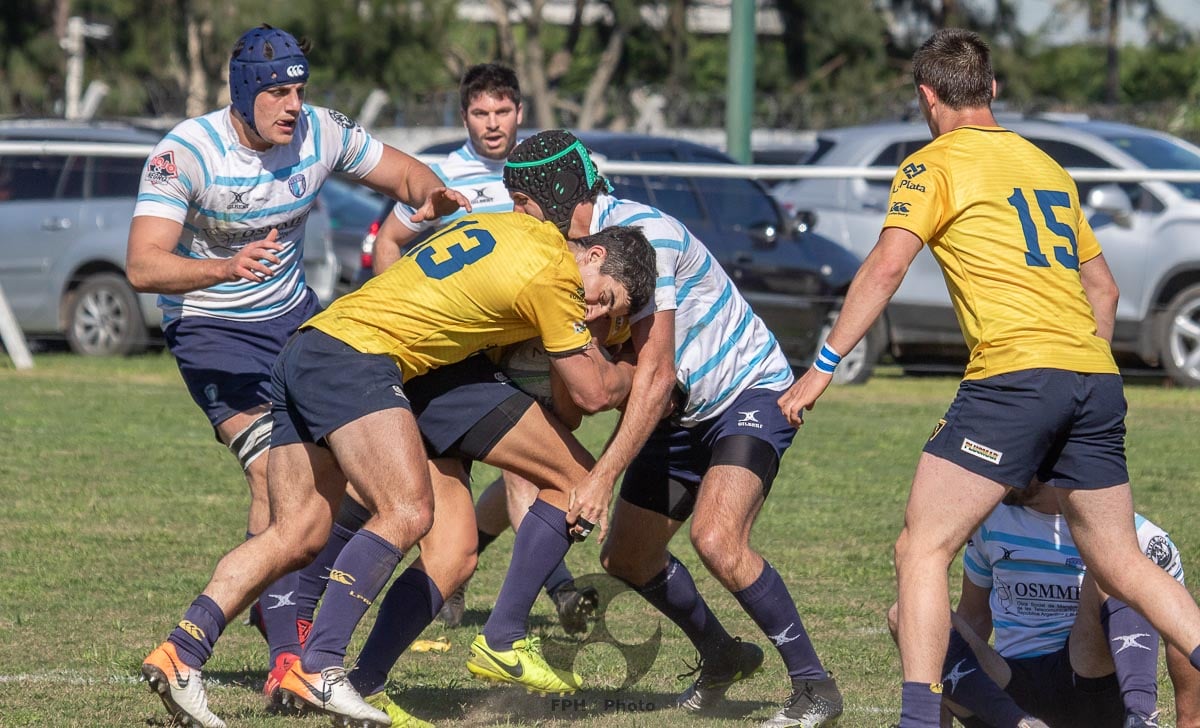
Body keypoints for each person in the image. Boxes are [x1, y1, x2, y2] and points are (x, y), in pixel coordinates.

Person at [775, 28, 1200, 728]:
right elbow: (1106, 290)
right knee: (1121, 561)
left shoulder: (931, 164)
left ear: (926, 96)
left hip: (1014, 376)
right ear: (993, 90)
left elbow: (885, 267)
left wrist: (819, 371)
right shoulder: (1044, 164)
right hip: (1095, 375)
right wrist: (1074, 372)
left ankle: (917, 722)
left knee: (921, 547)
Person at [139, 212, 654, 728]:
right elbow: (590, 393)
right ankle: (320, 667)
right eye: (604, 298)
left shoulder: (508, 228)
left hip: (310, 344)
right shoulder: (557, 273)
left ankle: (182, 651)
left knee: (296, 532)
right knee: (406, 510)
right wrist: (645, 373)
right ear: (594, 254)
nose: (594, 310)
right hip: (360, 357)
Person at [126, 23, 466, 706]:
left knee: (320, 496)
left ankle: (279, 634)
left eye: (300, 90)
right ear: (247, 91)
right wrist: (224, 267)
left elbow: (405, 173)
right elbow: (142, 264)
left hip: (296, 324)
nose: (292, 104)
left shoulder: (321, 132)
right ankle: (290, 654)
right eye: (278, 92)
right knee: (278, 488)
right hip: (212, 333)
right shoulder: (186, 153)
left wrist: (432, 195)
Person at [504, 129, 843, 727]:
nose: (516, 215)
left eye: (523, 201)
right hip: (675, 411)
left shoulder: (643, 238)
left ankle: (814, 686)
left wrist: (601, 477)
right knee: (627, 558)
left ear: (555, 192)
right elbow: (596, 393)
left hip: (747, 391)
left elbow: (654, 374)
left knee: (717, 539)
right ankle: (722, 655)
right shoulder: (565, 254)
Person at [369, 61, 598, 635]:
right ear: (464, 115)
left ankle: (463, 576)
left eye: (502, 111)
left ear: (520, 112)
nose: (492, 123)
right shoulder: (445, 176)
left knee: (522, 465)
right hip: (456, 346)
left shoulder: (549, 173)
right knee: (488, 467)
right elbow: (390, 241)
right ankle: (549, 588)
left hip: (528, 346)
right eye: (479, 112)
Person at [886, 480, 1200, 728]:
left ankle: (1141, 718)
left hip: (1089, 680)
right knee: (906, 613)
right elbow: (974, 617)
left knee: (1117, 567)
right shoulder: (989, 524)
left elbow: (1180, 638)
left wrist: (1190, 720)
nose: (1004, 467)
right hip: (1009, 691)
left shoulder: (1138, 534)